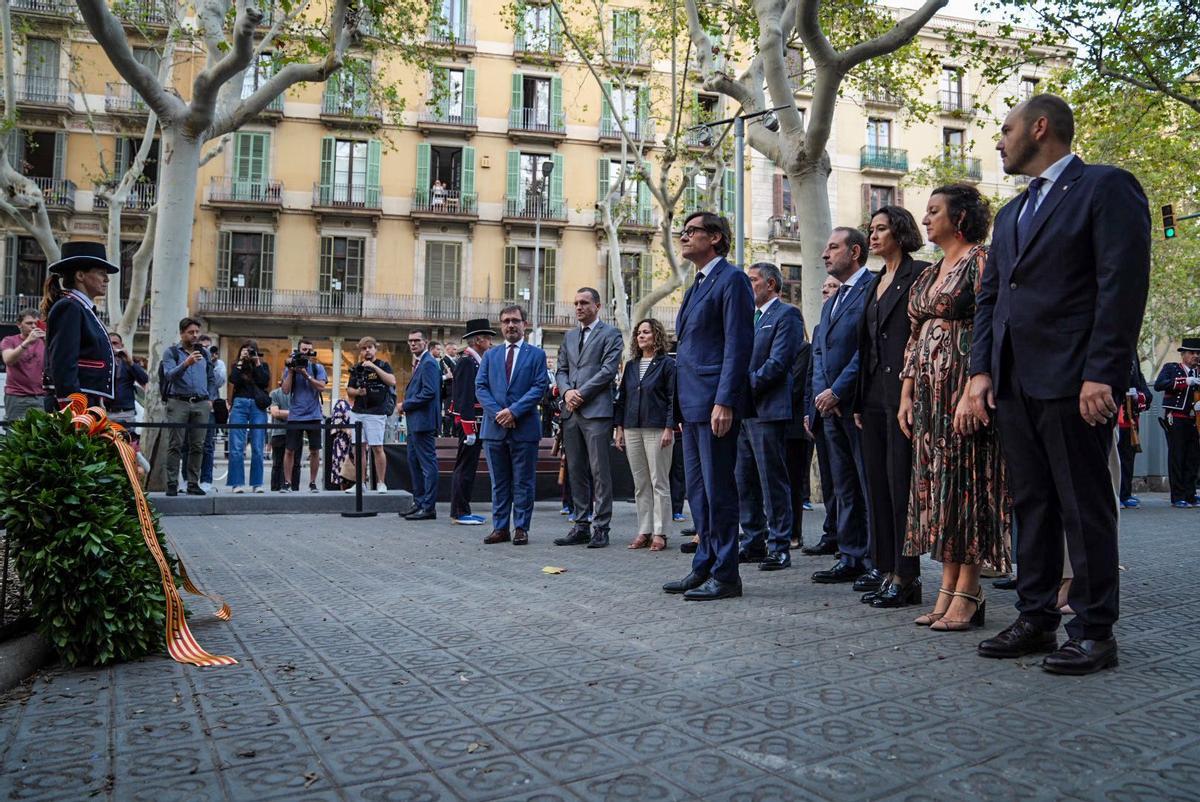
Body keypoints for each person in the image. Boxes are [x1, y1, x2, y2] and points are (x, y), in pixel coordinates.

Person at [969, 94, 1151, 675]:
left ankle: (1095, 631)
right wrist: (980, 372)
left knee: (1083, 505)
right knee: (1033, 504)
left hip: (1075, 380)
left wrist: (1104, 371)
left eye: (1006, 129)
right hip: (1014, 383)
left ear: (1040, 128)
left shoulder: (1106, 188)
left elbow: (1120, 286)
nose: (998, 140)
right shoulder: (1010, 214)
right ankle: (1036, 618)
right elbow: (991, 299)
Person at [898, 185, 1011, 631]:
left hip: (964, 390)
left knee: (966, 486)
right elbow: (913, 337)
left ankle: (970, 589)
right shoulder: (928, 275)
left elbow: (991, 325)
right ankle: (947, 587)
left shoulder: (980, 260)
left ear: (960, 217)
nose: (925, 219)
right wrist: (906, 394)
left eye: (933, 211)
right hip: (928, 397)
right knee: (939, 488)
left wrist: (973, 386)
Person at [662, 211, 753, 601]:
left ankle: (727, 574)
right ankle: (704, 564)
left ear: (715, 238)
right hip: (692, 404)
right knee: (697, 493)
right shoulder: (696, 283)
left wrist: (725, 400)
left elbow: (738, 344)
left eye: (691, 231)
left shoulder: (732, 279)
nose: (683, 236)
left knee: (719, 491)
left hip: (715, 403)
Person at [855, 206, 930, 609]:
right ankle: (886, 570)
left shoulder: (919, 274)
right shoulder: (873, 281)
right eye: (871, 229)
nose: (874, 235)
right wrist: (857, 400)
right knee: (878, 486)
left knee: (901, 484)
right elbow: (865, 343)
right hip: (871, 396)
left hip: (904, 393)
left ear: (900, 232)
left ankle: (907, 575)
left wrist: (911, 389)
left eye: (881, 229)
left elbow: (918, 336)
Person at [810, 227, 873, 586]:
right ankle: (849, 555)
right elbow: (820, 351)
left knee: (867, 485)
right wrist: (823, 393)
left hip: (857, 406)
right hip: (830, 408)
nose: (824, 254)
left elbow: (865, 349)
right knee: (844, 487)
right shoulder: (832, 300)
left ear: (855, 251)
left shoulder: (871, 289)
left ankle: (875, 559)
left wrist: (839, 391)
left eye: (832, 247)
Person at [735, 263, 804, 571]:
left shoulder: (786, 315)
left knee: (771, 480)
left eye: (753, 280)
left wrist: (741, 386)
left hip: (768, 409)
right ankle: (752, 541)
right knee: (744, 479)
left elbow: (778, 363)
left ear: (772, 284)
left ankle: (779, 546)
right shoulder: (745, 318)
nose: (748, 285)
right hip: (744, 412)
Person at [554, 288, 623, 549]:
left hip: (596, 411)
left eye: (584, 303)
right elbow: (561, 369)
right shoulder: (570, 336)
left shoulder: (611, 334)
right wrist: (567, 391)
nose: (579, 307)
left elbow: (608, 370)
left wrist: (580, 393)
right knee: (575, 469)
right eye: (576, 303)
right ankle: (580, 524)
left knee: (599, 471)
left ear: (598, 305)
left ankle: (601, 527)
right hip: (571, 412)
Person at [476, 305, 549, 545]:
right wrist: (499, 413)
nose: (511, 325)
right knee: (499, 482)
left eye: (515, 320)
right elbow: (481, 387)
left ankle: (520, 528)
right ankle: (499, 528)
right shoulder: (490, 355)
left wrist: (514, 411)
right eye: (506, 321)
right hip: (494, 429)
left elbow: (539, 387)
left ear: (524, 324)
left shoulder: (536, 355)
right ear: (501, 326)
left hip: (524, 428)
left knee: (524, 482)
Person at [614, 318, 677, 552]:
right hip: (632, 427)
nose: (641, 336)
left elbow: (673, 398)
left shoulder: (667, 365)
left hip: (657, 427)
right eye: (639, 333)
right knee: (640, 484)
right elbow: (622, 398)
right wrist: (619, 427)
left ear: (656, 336)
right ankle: (644, 530)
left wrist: (669, 427)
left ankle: (660, 532)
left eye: (646, 332)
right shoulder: (631, 365)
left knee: (659, 482)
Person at [40, 242, 118, 410]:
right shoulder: (70, 307)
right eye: (101, 273)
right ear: (80, 275)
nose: (107, 279)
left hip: (86, 400)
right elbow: (64, 363)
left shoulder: (81, 308)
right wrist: (73, 406)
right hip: (75, 403)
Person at [801, 275, 843, 557]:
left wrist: (837, 393)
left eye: (833, 287)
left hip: (843, 406)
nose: (826, 291)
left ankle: (849, 539)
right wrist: (809, 410)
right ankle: (831, 532)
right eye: (824, 287)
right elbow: (812, 372)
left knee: (845, 482)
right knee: (828, 479)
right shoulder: (818, 328)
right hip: (819, 413)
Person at [161, 317, 219, 496]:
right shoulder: (171, 352)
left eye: (197, 332)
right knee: (175, 444)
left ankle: (193, 483)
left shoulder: (205, 353)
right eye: (191, 332)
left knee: (198, 445)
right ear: (182, 333)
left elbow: (211, 377)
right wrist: (186, 363)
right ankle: (172, 483)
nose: (195, 336)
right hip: (178, 401)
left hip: (201, 403)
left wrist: (210, 398)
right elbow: (169, 375)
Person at [449, 319, 495, 525]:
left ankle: (462, 508)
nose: (490, 342)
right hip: (471, 422)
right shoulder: (468, 362)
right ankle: (459, 511)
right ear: (478, 340)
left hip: (475, 420)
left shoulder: (474, 360)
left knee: (468, 466)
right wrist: (468, 428)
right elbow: (464, 396)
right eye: (487, 338)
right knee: (465, 467)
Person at [346, 336, 397, 494]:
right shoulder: (356, 368)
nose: (367, 351)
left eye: (370, 347)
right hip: (358, 412)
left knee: (377, 447)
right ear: (360, 351)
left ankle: (381, 482)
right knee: (358, 449)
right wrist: (358, 392)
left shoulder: (383, 365)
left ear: (375, 349)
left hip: (376, 412)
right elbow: (349, 390)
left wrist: (374, 368)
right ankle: (360, 483)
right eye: (363, 348)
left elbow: (392, 381)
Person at [400, 329, 441, 520]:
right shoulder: (420, 363)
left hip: (423, 423)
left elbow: (429, 392)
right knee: (414, 463)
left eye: (416, 340)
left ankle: (429, 507)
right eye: (410, 341)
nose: (412, 344)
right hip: (415, 423)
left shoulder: (429, 363)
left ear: (425, 343)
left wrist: (406, 405)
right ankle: (419, 503)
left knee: (427, 465)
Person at [1155, 338, 1200, 508]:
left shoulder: (1199, 372)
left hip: (1195, 419)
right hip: (1176, 417)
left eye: (1198, 353)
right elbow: (1160, 385)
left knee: (1193, 457)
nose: (1196, 356)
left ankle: (1190, 494)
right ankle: (1178, 495)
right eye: (1192, 353)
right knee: (1178, 456)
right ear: (1183, 354)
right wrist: (1184, 382)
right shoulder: (1172, 368)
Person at [281, 338, 327, 493]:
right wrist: (292, 372)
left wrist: (306, 374)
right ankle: (287, 483)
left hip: (314, 415)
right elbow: (285, 390)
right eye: (304, 350)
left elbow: (321, 387)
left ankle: (313, 483)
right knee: (289, 450)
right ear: (298, 351)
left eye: (309, 350)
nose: (306, 353)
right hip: (295, 415)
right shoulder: (290, 369)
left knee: (314, 451)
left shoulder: (317, 367)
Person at [226, 339, 271, 494]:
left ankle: (257, 483)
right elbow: (233, 379)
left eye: (252, 350)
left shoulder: (262, 366)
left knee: (258, 446)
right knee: (237, 446)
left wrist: (257, 361)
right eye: (246, 350)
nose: (249, 353)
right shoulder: (236, 366)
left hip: (257, 406)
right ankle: (236, 483)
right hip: (239, 404)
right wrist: (240, 361)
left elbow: (264, 381)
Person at [784, 328, 812, 550]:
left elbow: (796, 386)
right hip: (775, 423)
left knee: (794, 482)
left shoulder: (803, 349)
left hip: (794, 427)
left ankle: (794, 532)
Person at [1117, 359, 1152, 508]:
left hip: (1130, 420)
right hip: (1114, 419)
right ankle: (1114, 494)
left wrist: (1137, 396)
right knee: (1113, 459)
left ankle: (1125, 493)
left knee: (1128, 457)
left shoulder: (1135, 369)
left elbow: (1147, 395)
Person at [3, 308, 48, 420]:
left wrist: (49, 341)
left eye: (36, 323)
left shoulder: (44, 342)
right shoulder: (9, 340)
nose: (33, 326)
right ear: (19, 325)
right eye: (29, 323)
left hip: (41, 396)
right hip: (17, 397)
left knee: (40, 434)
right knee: (14, 433)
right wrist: (27, 342)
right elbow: (8, 360)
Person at [198, 333, 226, 492]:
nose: (206, 351)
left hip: (211, 407)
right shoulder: (193, 360)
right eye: (203, 347)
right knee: (190, 444)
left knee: (208, 445)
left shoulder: (218, 363)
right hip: (194, 405)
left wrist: (211, 364)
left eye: (209, 347)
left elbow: (219, 382)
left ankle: (206, 480)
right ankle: (189, 479)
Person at [106, 332, 149, 429]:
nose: (112, 346)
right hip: (106, 412)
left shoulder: (127, 363)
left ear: (122, 345)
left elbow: (144, 379)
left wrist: (130, 362)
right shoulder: (103, 363)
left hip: (126, 413)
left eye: (115, 343)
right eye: (109, 343)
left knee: (126, 441)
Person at [268, 383, 300, 492]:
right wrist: (295, 414)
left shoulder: (299, 393)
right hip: (279, 433)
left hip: (292, 432)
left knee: (295, 464)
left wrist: (284, 413)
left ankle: (293, 489)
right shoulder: (275, 393)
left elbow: (277, 412)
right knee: (278, 464)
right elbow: (275, 413)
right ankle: (276, 490)